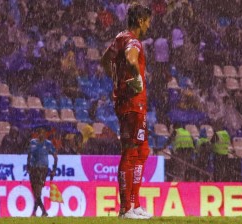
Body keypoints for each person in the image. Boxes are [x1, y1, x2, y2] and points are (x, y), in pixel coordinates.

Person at [100, 3, 153, 219]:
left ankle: (135, 204)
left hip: (131, 102)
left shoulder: (120, 37)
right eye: (147, 21)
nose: (149, 25)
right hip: (132, 103)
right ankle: (125, 208)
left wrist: (117, 79)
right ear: (140, 21)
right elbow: (132, 59)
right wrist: (136, 78)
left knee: (142, 151)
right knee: (131, 152)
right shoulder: (133, 40)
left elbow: (105, 60)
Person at [26, 126, 58, 217]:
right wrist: (28, 165)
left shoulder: (48, 144)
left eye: (43, 133)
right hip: (33, 169)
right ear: (37, 134)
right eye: (40, 133)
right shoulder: (32, 142)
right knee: (35, 190)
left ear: (45, 135)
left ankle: (44, 211)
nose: (41, 135)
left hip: (42, 169)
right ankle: (34, 213)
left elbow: (55, 156)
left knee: (37, 190)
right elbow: (29, 154)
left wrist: (54, 170)